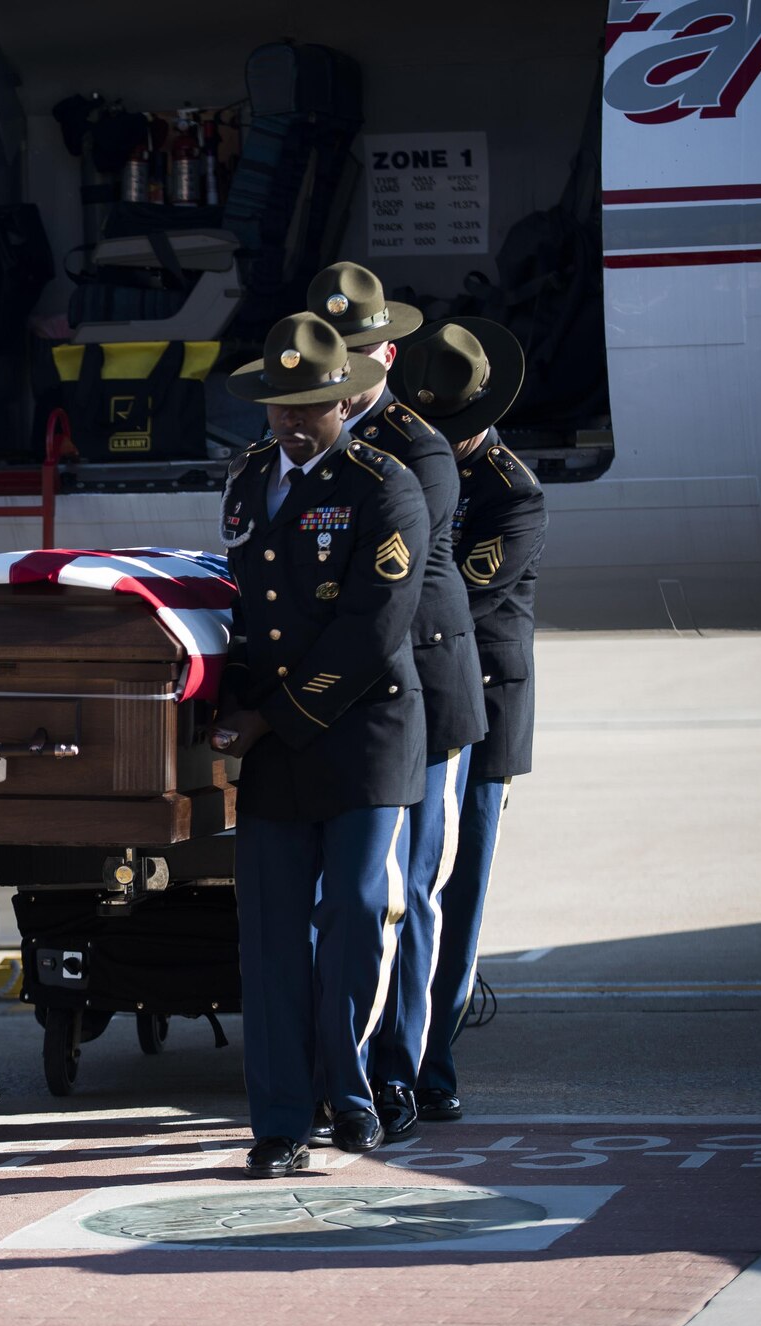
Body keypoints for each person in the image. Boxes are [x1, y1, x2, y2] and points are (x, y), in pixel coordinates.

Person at [208, 313, 428, 1175]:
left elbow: (374, 628)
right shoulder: (249, 477)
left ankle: (353, 1095)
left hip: (360, 735)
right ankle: (279, 1119)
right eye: (281, 405)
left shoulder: (385, 484)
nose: (295, 421)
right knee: (267, 934)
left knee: (352, 917)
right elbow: (240, 608)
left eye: (315, 404)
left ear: (344, 401)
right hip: (273, 743)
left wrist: (273, 716)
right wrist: (219, 706)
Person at [308, 261, 487, 1141]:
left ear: (386, 351)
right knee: (352, 892)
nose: (342, 364)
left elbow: (389, 583)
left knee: (413, 890)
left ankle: (404, 1066)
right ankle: (343, 1057)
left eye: (355, 349)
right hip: (353, 691)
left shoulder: (417, 446)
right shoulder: (307, 442)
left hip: (423, 691)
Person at [391, 318, 543, 1121]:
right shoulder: (408, 461)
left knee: (457, 890)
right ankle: (393, 1041)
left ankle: (435, 1060)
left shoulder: (510, 492)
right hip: (408, 701)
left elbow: (454, 597)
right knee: (404, 887)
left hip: (475, 707)